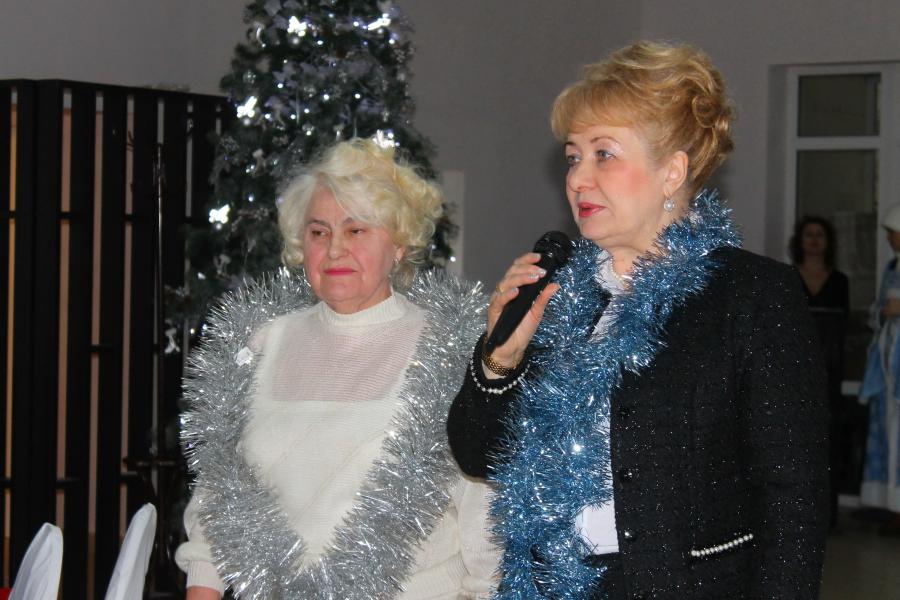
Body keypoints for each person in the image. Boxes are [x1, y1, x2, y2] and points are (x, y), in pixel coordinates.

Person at [447, 41, 828, 599]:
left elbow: (794, 498)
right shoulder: (559, 296)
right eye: (573, 157)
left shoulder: (751, 295)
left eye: (604, 154)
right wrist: (500, 357)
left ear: (672, 171)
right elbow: (477, 454)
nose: (578, 179)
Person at [175, 138, 498, 599]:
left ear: (399, 244)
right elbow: (217, 502)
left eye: (356, 230)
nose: (334, 250)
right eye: (318, 232)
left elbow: (484, 518)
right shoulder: (262, 343)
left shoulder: (448, 350)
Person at [789, 216, 850, 529]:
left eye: (820, 235)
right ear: (799, 241)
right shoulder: (788, 277)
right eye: (809, 235)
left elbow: (844, 325)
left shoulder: (839, 280)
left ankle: (829, 515)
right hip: (795, 370)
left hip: (830, 370)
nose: (814, 240)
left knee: (830, 439)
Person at [859, 204, 900, 534]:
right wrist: (884, 313)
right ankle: (890, 504)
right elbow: (877, 311)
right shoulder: (891, 267)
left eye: (892, 233)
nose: (889, 239)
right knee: (887, 434)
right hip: (887, 365)